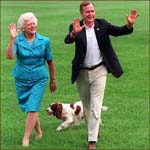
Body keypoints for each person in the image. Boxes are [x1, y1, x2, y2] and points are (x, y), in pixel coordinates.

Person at [64, 1, 139, 149]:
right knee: (86, 105)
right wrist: (74, 33)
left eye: (92, 11)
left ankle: (92, 141)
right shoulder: (76, 26)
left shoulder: (102, 24)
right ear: (82, 13)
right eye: (87, 12)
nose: (90, 14)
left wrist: (129, 25)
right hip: (82, 72)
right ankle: (93, 130)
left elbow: (118, 31)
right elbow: (68, 39)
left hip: (100, 70)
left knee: (95, 106)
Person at [6, 12, 57, 147]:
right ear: (23, 27)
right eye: (29, 24)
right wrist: (12, 39)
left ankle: (26, 138)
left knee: (33, 107)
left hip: (39, 78)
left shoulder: (44, 40)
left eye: (34, 23)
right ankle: (39, 131)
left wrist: (53, 80)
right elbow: (10, 56)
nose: (33, 26)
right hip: (21, 78)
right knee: (29, 107)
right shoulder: (18, 40)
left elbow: (50, 61)